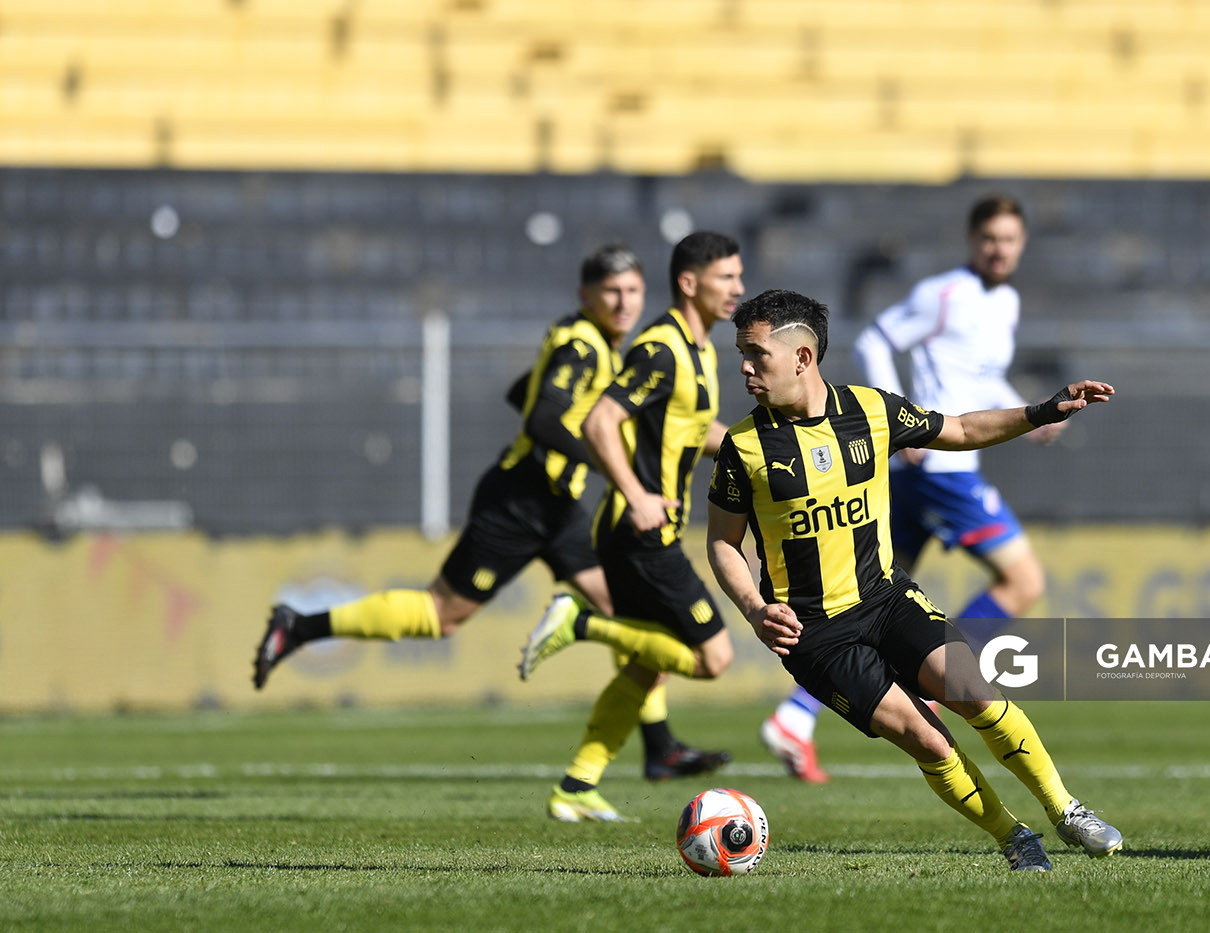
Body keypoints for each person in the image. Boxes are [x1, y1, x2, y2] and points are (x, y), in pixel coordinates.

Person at [250, 244, 723, 781]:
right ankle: (301, 624)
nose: (624, 302)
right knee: (441, 615)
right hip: (520, 502)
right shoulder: (584, 346)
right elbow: (542, 420)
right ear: (585, 295)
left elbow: (522, 391)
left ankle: (659, 747)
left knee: (628, 616)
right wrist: (609, 462)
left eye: (633, 290)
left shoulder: (601, 346)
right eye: (611, 291)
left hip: (559, 507)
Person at [707, 288, 1121, 872]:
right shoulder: (742, 447)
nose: (745, 368)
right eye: (740, 355)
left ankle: (1066, 809)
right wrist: (753, 608)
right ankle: (1013, 836)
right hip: (818, 636)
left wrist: (1043, 411)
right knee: (928, 739)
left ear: (802, 358)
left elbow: (961, 429)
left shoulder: (871, 411)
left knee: (975, 691)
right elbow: (722, 544)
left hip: (885, 598)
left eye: (756, 355)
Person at [758, 194, 1051, 781]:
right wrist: (904, 424)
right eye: (990, 237)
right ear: (973, 240)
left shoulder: (1007, 302)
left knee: (867, 606)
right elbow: (874, 340)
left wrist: (1025, 411)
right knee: (1023, 581)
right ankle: (937, 679)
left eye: (1010, 239)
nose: (999, 249)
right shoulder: (944, 295)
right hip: (942, 470)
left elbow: (976, 369)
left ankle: (796, 716)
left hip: (923, 476)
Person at [517, 231, 744, 823]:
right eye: (727, 278)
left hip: (645, 530)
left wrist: (760, 449)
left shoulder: (699, 350)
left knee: (648, 664)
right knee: (713, 657)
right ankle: (581, 622)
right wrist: (637, 494)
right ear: (690, 283)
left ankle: (576, 784)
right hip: (640, 531)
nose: (738, 290)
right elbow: (600, 420)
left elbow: (694, 430)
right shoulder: (662, 347)